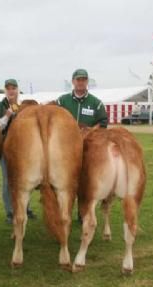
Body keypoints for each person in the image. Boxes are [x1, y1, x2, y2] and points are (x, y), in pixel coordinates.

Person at [57, 69, 108, 223]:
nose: (81, 82)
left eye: (83, 80)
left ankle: (83, 212)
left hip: (87, 150)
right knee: (64, 182)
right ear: (73, 81)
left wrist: (89, 132)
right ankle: (63, 213)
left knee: (85, 182)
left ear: (87, 82)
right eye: (78, 80)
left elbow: (103, 123)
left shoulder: (96, 103)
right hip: (65, 150)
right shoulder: (62, 101)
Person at [0, 79, 36, 224]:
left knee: (25, 179)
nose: (11, 91)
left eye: (13, 88)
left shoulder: (24, 106)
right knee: (8, 181)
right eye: (8, 88)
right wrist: (7, 115)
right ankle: (10, 212)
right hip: (6, 148)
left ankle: (26, 208)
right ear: (5, 90)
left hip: (24, 149)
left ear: (18, 90)